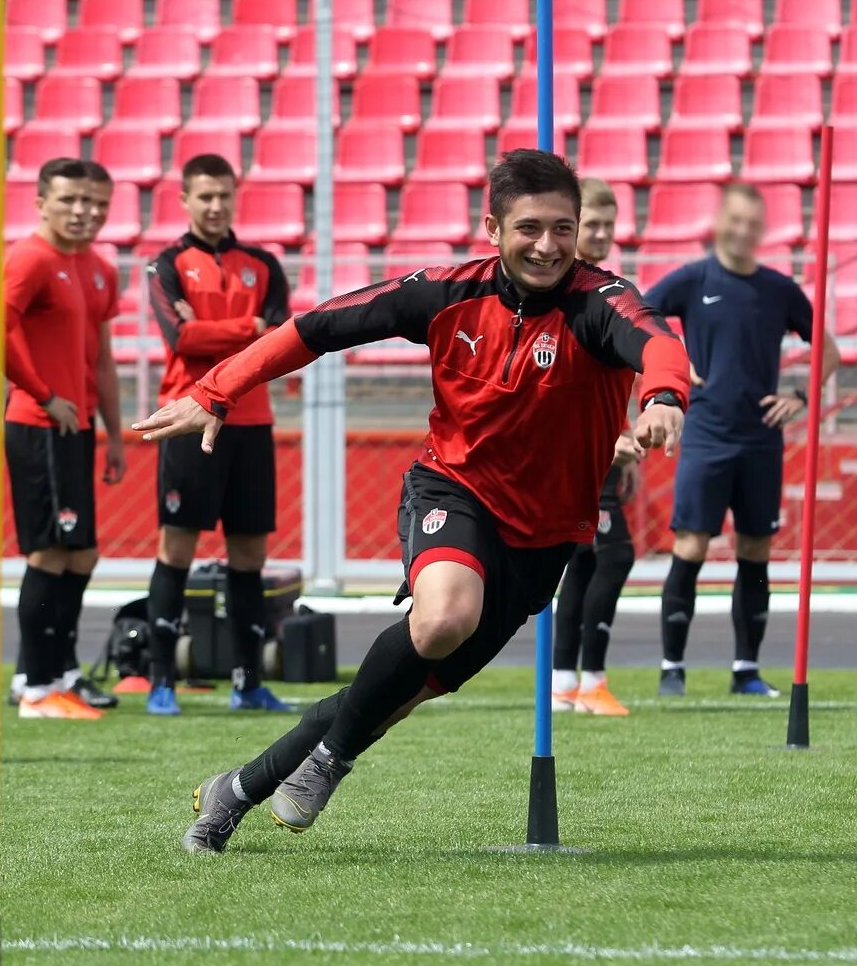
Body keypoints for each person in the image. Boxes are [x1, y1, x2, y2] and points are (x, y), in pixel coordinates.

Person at [133, 150, 691, 853]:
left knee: (388, 696)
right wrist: (218, 389)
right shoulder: (447, 292)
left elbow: (660, 348)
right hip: (453, 489)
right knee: (443, 619)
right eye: (529, 228)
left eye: (563, 228)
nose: (548, 246)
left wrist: (665, 398)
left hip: (545, 538)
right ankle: (331, 763)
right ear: (492, 226)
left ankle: (232, 793)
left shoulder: (600, 302)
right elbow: (319, 327)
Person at [646, 182, 840, 698]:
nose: (742, 231)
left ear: (761, 230)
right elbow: (637, 318)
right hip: (706, 435)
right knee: (690, 547)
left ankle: (745, 670)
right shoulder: (693, 279)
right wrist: (675, 361)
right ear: (719, 221)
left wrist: (800, 393)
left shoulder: (778, 288)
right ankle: (671, 669)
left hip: (761, 441)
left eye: (752, 223)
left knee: (755, 551)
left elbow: (830, 350)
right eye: (734, 220)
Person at [143, 153, 293, 716]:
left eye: (223, 195)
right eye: (203, 195)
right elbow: (180, 340)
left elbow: (275, 345)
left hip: (251, 423)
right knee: (176, 545)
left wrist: (233, 333)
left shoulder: (264, 264)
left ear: (235, 197)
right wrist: (244, 330)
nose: (214, 205)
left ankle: (248, 683)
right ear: (184, 199)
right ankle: (162, 682)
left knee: (249, 554)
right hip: (185, 417)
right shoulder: (167, 264)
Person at [4, 161, 127, 710]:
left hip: (76, 429)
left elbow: (101, 358)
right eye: (72, 200)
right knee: (49, 554)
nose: (85, 212)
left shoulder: (99, 267)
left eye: (97, 202)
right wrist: (39, 392)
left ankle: (61, 672)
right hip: (39, 425)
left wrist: (115, 434)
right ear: (41, 202)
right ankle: (34, 685)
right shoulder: (29, 259)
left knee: (81, 556)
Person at [551, 177, 639, 717]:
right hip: (580, 454)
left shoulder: (607, 288)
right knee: (616, 555)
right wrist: (611, 439)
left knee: (583, 565)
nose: (603, 233)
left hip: (598, 450)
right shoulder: (573, 295)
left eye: (610, 225)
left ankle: (565, 683)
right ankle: (593, 681)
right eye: (593, 225)